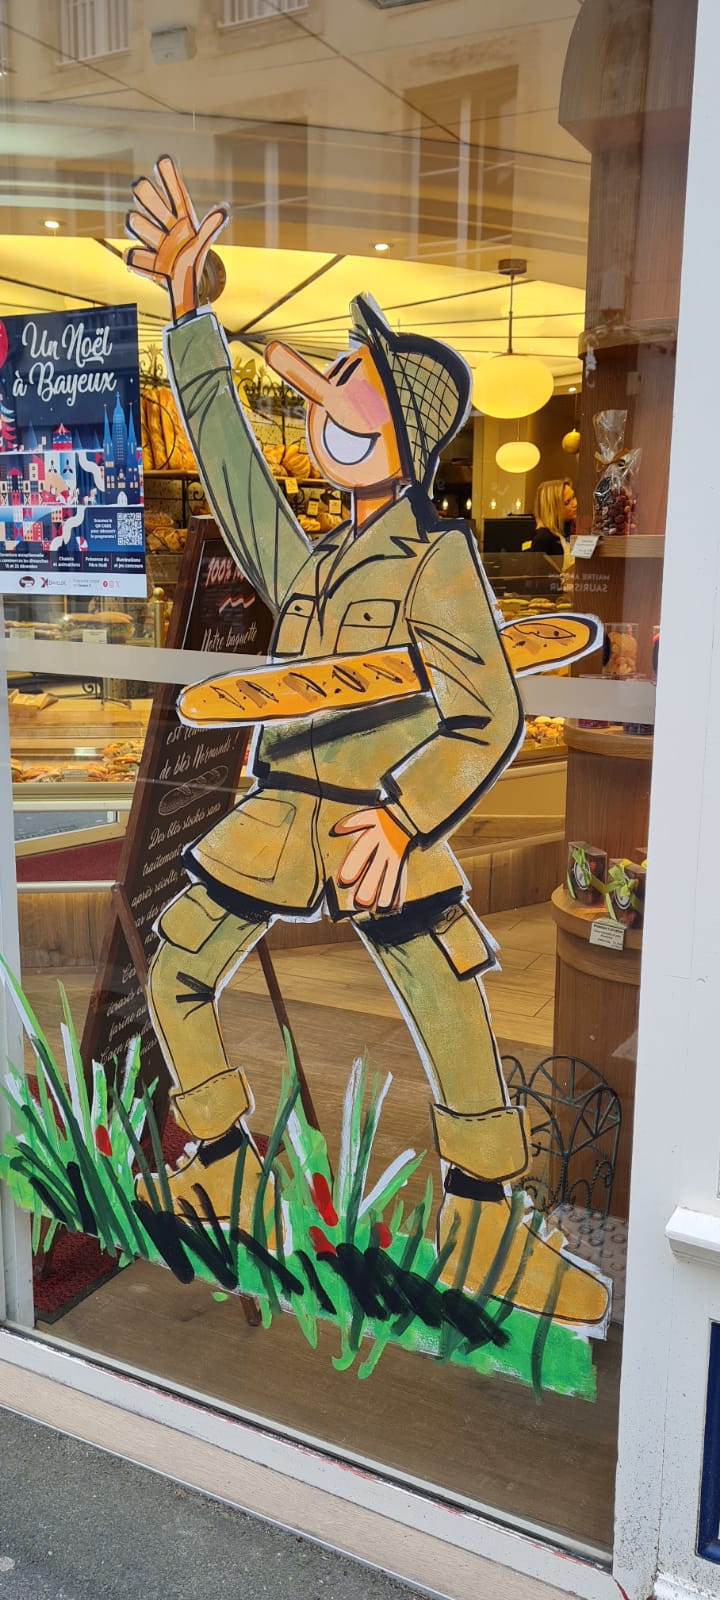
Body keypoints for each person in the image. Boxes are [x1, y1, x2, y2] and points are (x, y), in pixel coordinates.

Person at [125, 155, 607, 1325]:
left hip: (377, 823)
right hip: (278, 812)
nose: (320, 394)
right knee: (176, 964)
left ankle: (487, 1229)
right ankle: (224, 1167)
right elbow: (235, 472)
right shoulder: (314, 560)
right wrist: (191, 320)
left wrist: (403, 817)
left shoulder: (436, 560)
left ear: (401, 431)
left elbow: (488, 712)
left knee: (450, 1006)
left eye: (345, 382)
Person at [531, 479, 576, 567]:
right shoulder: (544, 539)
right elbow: (539, 574)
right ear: (553, 509)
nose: (575, 504)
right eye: (567, 502)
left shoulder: (569, 530)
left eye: (573, 497)